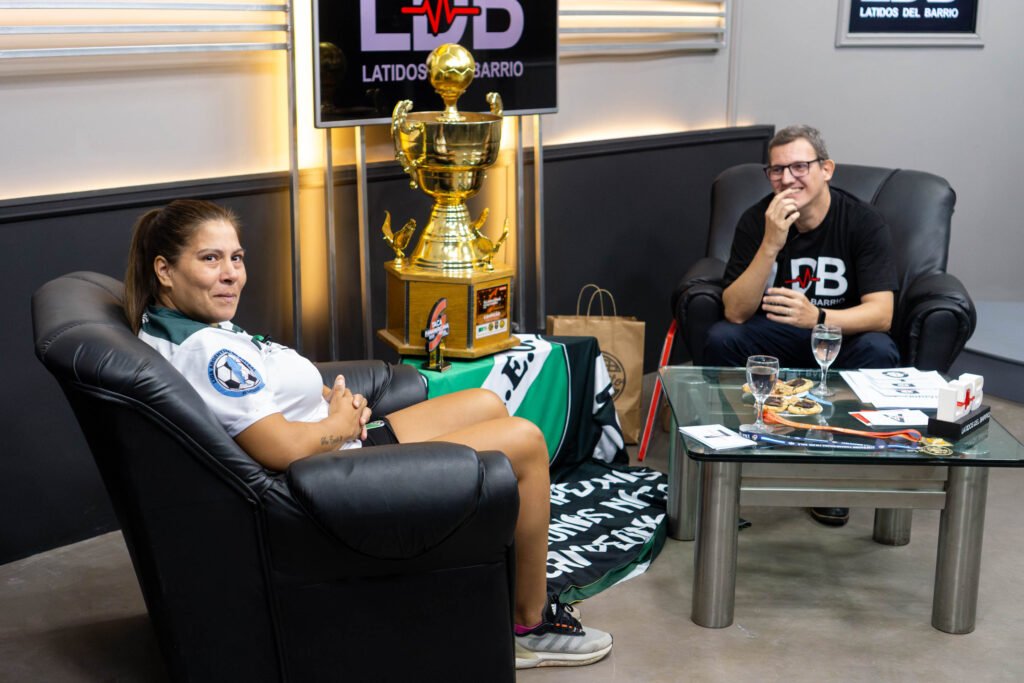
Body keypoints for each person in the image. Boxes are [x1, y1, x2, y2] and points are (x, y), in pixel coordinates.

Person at [123, 199, 612, 670]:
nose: (232, 273)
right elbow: (281, 448)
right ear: (164, 270)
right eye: (210, 259)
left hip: (339, 447)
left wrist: (341, 407)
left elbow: (273, 395)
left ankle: (481, 582)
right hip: (330, 478)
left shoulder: (189, 325)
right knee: (525, 440)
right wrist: (337, 425)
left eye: (236, 257)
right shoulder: (206, 352)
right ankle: (529, 624)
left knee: (485, 403)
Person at [705, 125, 900, 527]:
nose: (787, 178)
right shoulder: (758, 219)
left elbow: (881, 314)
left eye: (799, 166)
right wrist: (771, 243)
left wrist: (820, 318)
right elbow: (735, 312)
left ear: (826, 169)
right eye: (776, 170)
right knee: (721, 338)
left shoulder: (862, 221)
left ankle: (834, 476)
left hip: (837, 335)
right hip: (776, 336)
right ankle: (734, 459)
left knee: (880, 350)